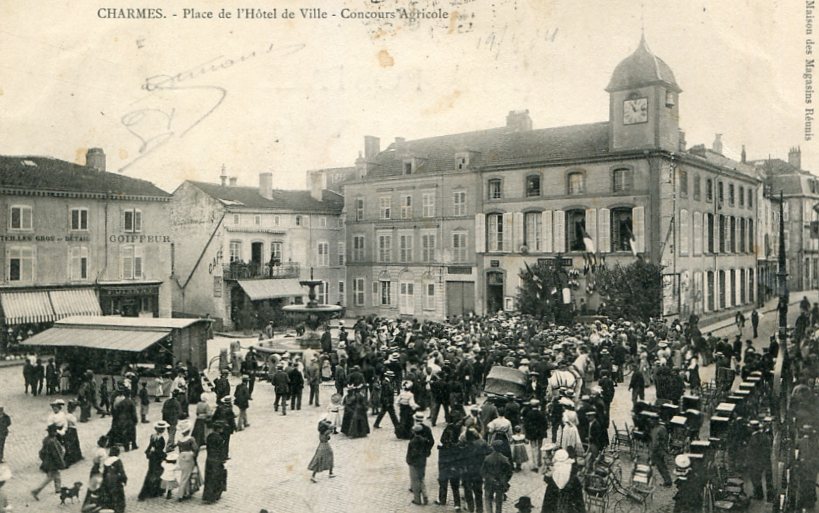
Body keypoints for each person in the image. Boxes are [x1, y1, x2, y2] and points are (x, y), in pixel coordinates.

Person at [31, 423, 66, 501]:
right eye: (55, 431)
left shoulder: (46, 440)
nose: (56, 432)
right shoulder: (52, 441)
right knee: (50, 477)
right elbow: (56, 454)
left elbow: (41, 452)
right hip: (53, 462)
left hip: (48, 461)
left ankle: (58, 489)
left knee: (56, 475)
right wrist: (61, 463)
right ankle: (36, 491)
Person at [138, 421, 168, 500]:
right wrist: (165, 456)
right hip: (158, 458)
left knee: (151, 472)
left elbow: (150, 446)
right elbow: (160, 449)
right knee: (158, 473)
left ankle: (150, 491)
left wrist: (148, 452)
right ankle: (156, 491)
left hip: (153, 458)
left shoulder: (153, 436)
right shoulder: (161, 438)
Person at [434, 423, 462, 509]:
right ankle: (457, 504)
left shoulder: (442, 447)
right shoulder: (458, 446)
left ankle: (442, 500)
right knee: (455, 487)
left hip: (444, 467)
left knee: (443, 484)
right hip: (455, 468)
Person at [482, 440, 513, 513]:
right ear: (501, 448)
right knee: (499, 501)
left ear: (493, 447)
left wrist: (489, 478)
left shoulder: (487, 458)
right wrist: (504, 480)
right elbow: (509, 473)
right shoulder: (505, 459)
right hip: (500, 483)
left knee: (488, 499)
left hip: (489, 482)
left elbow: (483, 472)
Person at [202, 420, 228, 504]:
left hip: (209, 458)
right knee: (216, 478)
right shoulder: (219, 438)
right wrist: (223, 459)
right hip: (216, 460)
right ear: (218, 429)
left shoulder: (209, 436)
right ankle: (214, 496)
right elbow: (220, 450)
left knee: (209, 477)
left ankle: (207, 495)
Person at [176, 420, 201, 501]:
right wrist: (194, 455)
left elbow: (180, 450)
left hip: (181, 456)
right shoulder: (191, 439)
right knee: (186, 476)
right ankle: (181, 494)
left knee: (184, 474)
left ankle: (187, 492)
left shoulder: (180, 440)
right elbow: (196, 449)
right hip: (189, 456)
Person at [407, 424, 430, 506]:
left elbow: (411, 454)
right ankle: (425, 496)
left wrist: (409, 461)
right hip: (422, 463)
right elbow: (428, 453)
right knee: (422, 479)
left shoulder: (412, 442)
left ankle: (417, 499)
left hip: (414, 464)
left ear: (415, 432)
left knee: (415, 481)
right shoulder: (425, 440)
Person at [100, 445, 127, 513]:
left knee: (109, 493)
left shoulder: (106, 461)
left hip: (107, 479)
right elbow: (121, 471)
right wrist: (124, 480)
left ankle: (110, 506)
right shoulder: (117, 460)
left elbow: (104, 472)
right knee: (118, 494)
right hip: (116, 479)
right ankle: (119, 509)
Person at [522, 399, 547, 471]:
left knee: (533, 448)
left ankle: (534, 464)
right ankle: (539, 462)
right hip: (540, 434)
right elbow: (545, 424)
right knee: (540, 447)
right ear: (538, 405)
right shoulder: (541, 413)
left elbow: (526, 425)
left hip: (532, 434)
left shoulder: (528, 414)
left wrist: (527, 434)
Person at [308, 417, 336, 482]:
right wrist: (328, 424)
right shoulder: (326, 432)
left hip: (320, 446)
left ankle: (314, 476)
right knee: (330, 458)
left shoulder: (321, 432)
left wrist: (324, 422)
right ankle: (330, 473)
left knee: (318, 460)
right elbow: (332, 427)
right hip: (326, 446)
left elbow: (321, 423)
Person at [649, 418, 673, 487]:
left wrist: (653, 451)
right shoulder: (660, 428)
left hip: (658, 451)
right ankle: (667, 481)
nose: (651, 422)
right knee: (660, 466)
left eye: (652, 420)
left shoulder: (658, 429)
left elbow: (656, 442)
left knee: (661, 466)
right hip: (660, 450)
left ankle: (668, 482)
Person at [64, 400, 84, 466]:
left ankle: (75, 456)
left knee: (73, 443)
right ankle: (75, 457)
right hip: (72, 430)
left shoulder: (67, 415)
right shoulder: (70, 416)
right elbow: (74, 423)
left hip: (70, 430)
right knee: (74, 443)